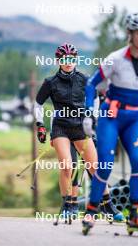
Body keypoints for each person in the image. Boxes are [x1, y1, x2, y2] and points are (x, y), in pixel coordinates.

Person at [82, 12, 138, 232]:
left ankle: (135, 214)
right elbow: (91, 83)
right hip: (111, 116)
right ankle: (91, 210)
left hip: (134, 118)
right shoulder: (115, 58)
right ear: (130, 34)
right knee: (106, 165)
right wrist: (89, 113)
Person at [34, 43, 124, 221]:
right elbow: (38, 104)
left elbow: (96, 98)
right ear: (58, 60)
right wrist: (40, 125)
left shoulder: (85, 79)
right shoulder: (50, 83)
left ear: (75, 60)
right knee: (67, 166)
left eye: (71, 59)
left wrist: (94, 118)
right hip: (61, 127)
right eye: (64, 59)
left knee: (95, 167)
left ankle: (107, 205)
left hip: (81, 126)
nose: (68, 62)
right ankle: (69, 205)